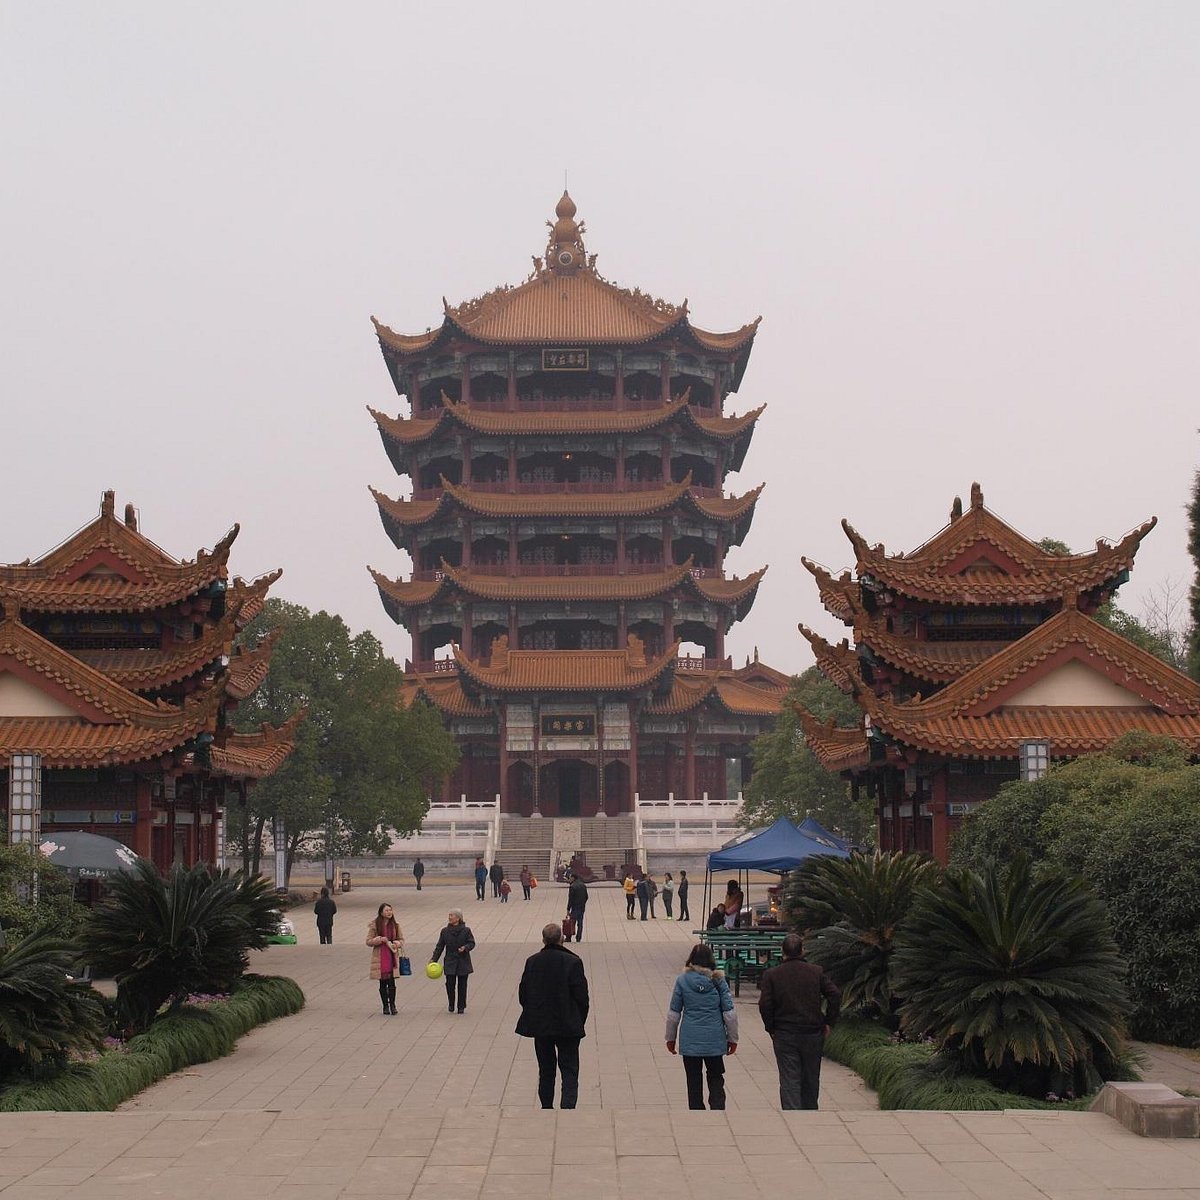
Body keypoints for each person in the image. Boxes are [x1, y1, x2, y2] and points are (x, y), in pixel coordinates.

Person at [758, 932, 842, 1110]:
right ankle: (810, 1112)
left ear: (783, 952)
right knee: (811, 1077)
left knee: (790, 1078)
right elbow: (834, 994)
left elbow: (765, 1004)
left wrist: (771, 1027)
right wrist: (829, 1021)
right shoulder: (815, 971)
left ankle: (792, 1116)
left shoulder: (772, 974)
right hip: (812, 1032)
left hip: (785, 1033)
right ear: (803, 951)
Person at [516, 923, 590, 1109]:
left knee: (546, 1070)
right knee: (570, 1070)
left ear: (543, 940)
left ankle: (546, 1107)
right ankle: (567, 1107)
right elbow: (582, 997)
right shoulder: (573, 962)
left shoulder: (532, 961)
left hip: (541, 1025)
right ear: (562, 938)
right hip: (568, 1024)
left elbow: (523, 994)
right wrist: (578, 1020)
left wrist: (534, 1013)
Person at [664, 943, 738, 1110]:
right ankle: (718, 1108)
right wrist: (733, 1039)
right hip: (715, 1039)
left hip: (690, 1040)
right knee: (716, 1076)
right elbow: (729, 1013)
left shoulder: (682, 980)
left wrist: (670, 1038)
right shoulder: (718, 980)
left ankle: (696, 1110)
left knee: (693, 1078)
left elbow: (674, 1014)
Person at [431, 909, 475, 1014]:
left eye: (452, 915)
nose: (450, 917)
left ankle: (461, 1006)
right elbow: (440, 946)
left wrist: (465, 948)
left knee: (462, 985)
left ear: (458, 918)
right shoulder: (445, 931)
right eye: (449, 915)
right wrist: (434, 959)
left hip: (463, 961)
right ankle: (451, 1002)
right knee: (449, 984)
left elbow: (472, 943)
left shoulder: (466, 930)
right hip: (450, 960)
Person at [366, 902, 404, 1015]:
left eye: (390, 910)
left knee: (391, 982)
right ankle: (385, 1006)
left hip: (392, 955)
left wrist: (397, 943)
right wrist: (379, 940)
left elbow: (401, 939)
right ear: (381, 912)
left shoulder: (395, 925)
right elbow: (368, 941)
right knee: (383, 983)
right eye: (387, 910)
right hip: (380, 956)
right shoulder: (375, 925)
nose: (389, 912)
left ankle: (393, 1005)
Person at [566, 873, 588, 942]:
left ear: (573, 878)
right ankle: (578, 937)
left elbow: (570, 899)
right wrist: (583, 903)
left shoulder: (572, 886)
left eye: (569, 878)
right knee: (580, 923)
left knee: (571, 922)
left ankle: (568, 937)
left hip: (575, 907)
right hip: (581, 907)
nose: (568, 880)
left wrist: (568, 909)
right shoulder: (583, 885)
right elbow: (586, 897)